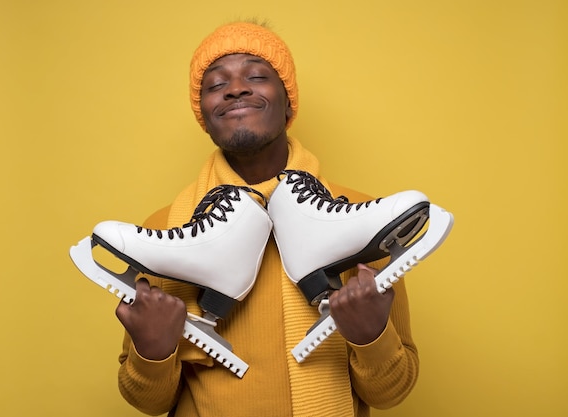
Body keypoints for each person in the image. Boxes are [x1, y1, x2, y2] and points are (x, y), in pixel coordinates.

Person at [114, 20, 419, 417]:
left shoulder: (363, 222)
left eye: (257, 76)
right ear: (203, 115)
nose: (235, 88)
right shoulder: (162, 232)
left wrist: (371, 337)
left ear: (289, 102)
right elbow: (147, 402)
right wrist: (151, 351)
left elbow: (391, 393)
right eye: (215, 84)